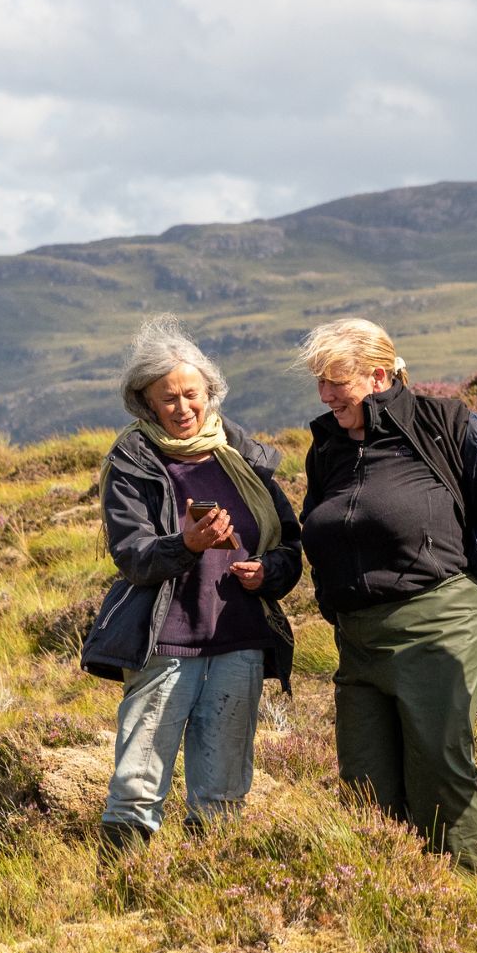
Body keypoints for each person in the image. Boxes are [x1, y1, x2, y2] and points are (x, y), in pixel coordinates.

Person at [295, 318, 477, 871]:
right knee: (364, 775)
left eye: (335, 381)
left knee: (438, 762)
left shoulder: (441, 423)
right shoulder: (328, 448)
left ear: (378, 374)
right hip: (359, 636)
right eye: (320, 382)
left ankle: (464, 889)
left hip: (438, 620)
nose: (325, 395)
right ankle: (390, 888)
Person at [82, 315, 303, 847]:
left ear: (211, 393)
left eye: (192, 394)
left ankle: (209, 895)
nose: (183, 408)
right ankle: (123, 893)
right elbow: (132, 555)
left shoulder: (243, 457)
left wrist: (267, 572)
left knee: (223, 789)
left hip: (240, 640)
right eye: (168, 398)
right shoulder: (135, 461)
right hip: (166, 642)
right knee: (138, 784)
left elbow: (290, 546)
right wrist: (188, 546)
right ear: (146, 403)